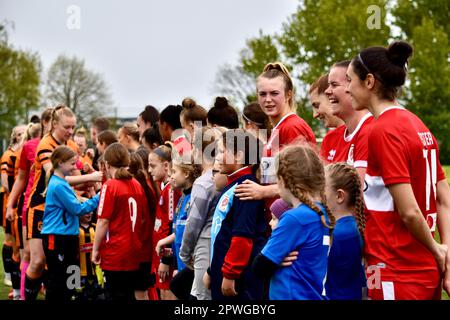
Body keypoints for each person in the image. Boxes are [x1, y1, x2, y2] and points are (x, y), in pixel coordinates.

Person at [346, 40, 450, 299]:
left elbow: (410, 212)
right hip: (424, 269)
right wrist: (444, 251)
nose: (348, 88)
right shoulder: (417, 123)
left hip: (396, 269)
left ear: (369, 82)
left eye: (350, 80)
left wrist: (439, 251)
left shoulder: (383, 130)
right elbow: (444, 197)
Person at [25, 104, 101, 300]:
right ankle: (24, 295)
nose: (70, 131)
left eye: (73, 127)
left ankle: (68, 293)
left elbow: (74, 179)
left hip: (65, 215)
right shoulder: (45, 145)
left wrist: (90, 186)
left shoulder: (71, 146)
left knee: (70, 265)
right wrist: (95, 185)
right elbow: (57, 178)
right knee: (38, 262)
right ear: (54, 124)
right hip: (41, 208)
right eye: (66, 127)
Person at [252, 144, 335, 300]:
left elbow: (260, 267)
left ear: (283, 181)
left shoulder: (294, 218)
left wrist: (275, 260)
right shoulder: (321, 212)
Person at [234, 62, 316, 209]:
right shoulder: (277, 129)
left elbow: (303, 182)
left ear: (288, 94)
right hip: (276, 217)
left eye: (274, 93)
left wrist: (263, 191)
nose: (268, 99)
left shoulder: (292, 127)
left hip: (292, 218)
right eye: (262, 94)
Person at [205, 129, 268, 300]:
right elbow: (223, 232)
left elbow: (242, 235)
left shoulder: (246, 187)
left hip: (237, 278)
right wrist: (212, 269)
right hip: (222, 270)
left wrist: (230, 274)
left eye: (221, 151)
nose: (217, 157)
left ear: (239, 156)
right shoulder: (232, 184)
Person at [40, 146, 99, 301]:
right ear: (60, 163)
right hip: (58, 237)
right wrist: (100, 197)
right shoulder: (58, 185)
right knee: (58, 280)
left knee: (71, 276)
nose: (75, 168)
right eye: (72, 164)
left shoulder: (62, 182)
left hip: (68, 236)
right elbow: (77, 209)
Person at [5, 108, 52, 300]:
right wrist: (10, 204)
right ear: (47, 123)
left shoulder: (69, 146)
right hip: (31, 207)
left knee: (53, 260)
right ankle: (21, 295)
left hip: (57, 209)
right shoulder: (31, 146)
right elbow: (21, 178)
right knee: (29, 256)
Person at [91, 143, 148, 300]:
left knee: (114, 295)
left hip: (114, 252)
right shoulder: (137, 185)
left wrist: (95, 249)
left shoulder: (110, 186)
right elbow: (142, 219)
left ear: (107, 164)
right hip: (134, 250)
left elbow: (103, 221)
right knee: (129, 295)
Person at [179, 126, 225, 300]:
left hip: (205, 244)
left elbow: (193, 223)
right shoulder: (222, 177)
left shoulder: (203, 183)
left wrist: (184, 253)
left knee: (203, 297)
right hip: (218, 242)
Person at [324, 60, 373, 181]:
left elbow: (358, 196)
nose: (327, 91)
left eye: (334, 85)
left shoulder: (369, 131)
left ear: (352, 86)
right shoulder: (337, 136)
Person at [324, 162, 366, 300]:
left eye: (322, 188)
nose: (318, 193)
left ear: (339, 196)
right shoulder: (356, 227)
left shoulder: (337, 234)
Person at [148, 143, 181, 300]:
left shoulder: (172, 190)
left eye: (153, 166)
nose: (149, 170)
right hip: (159, 255)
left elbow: (172, 226)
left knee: (168, 294)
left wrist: (166, 259)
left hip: (166, 257)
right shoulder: (165, 187)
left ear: (166, 165)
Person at [1, 124, 27, 299]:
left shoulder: (23, 152)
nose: (21, 136)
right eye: (18, 133)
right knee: (12, 241)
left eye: (23, 133)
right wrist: (13, 199)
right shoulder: (9, 155)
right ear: (14, 136)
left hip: (20, 202)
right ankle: (10, 276)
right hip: (10, 201)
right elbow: (5, 182)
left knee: (21, 243)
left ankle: (23, 281)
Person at [309, 74, 345, 162]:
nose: (315, 115)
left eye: (317, 105)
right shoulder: (329, 139)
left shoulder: (363, 131)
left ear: (332, 97)